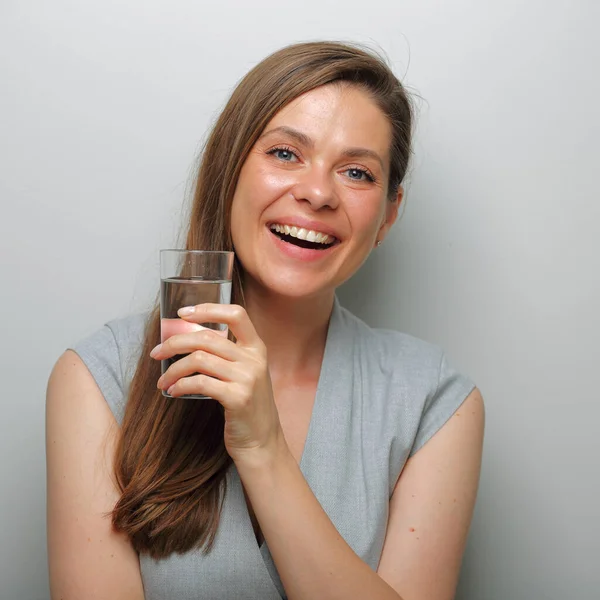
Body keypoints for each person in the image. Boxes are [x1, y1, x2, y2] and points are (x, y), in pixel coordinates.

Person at [46, 41, 485, 600]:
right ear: (228, 170)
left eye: (356, 172)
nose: (318, 193)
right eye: (284, 154)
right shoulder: (96, 378)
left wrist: (263, 450)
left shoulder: (435, 401)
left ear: (387, 216)